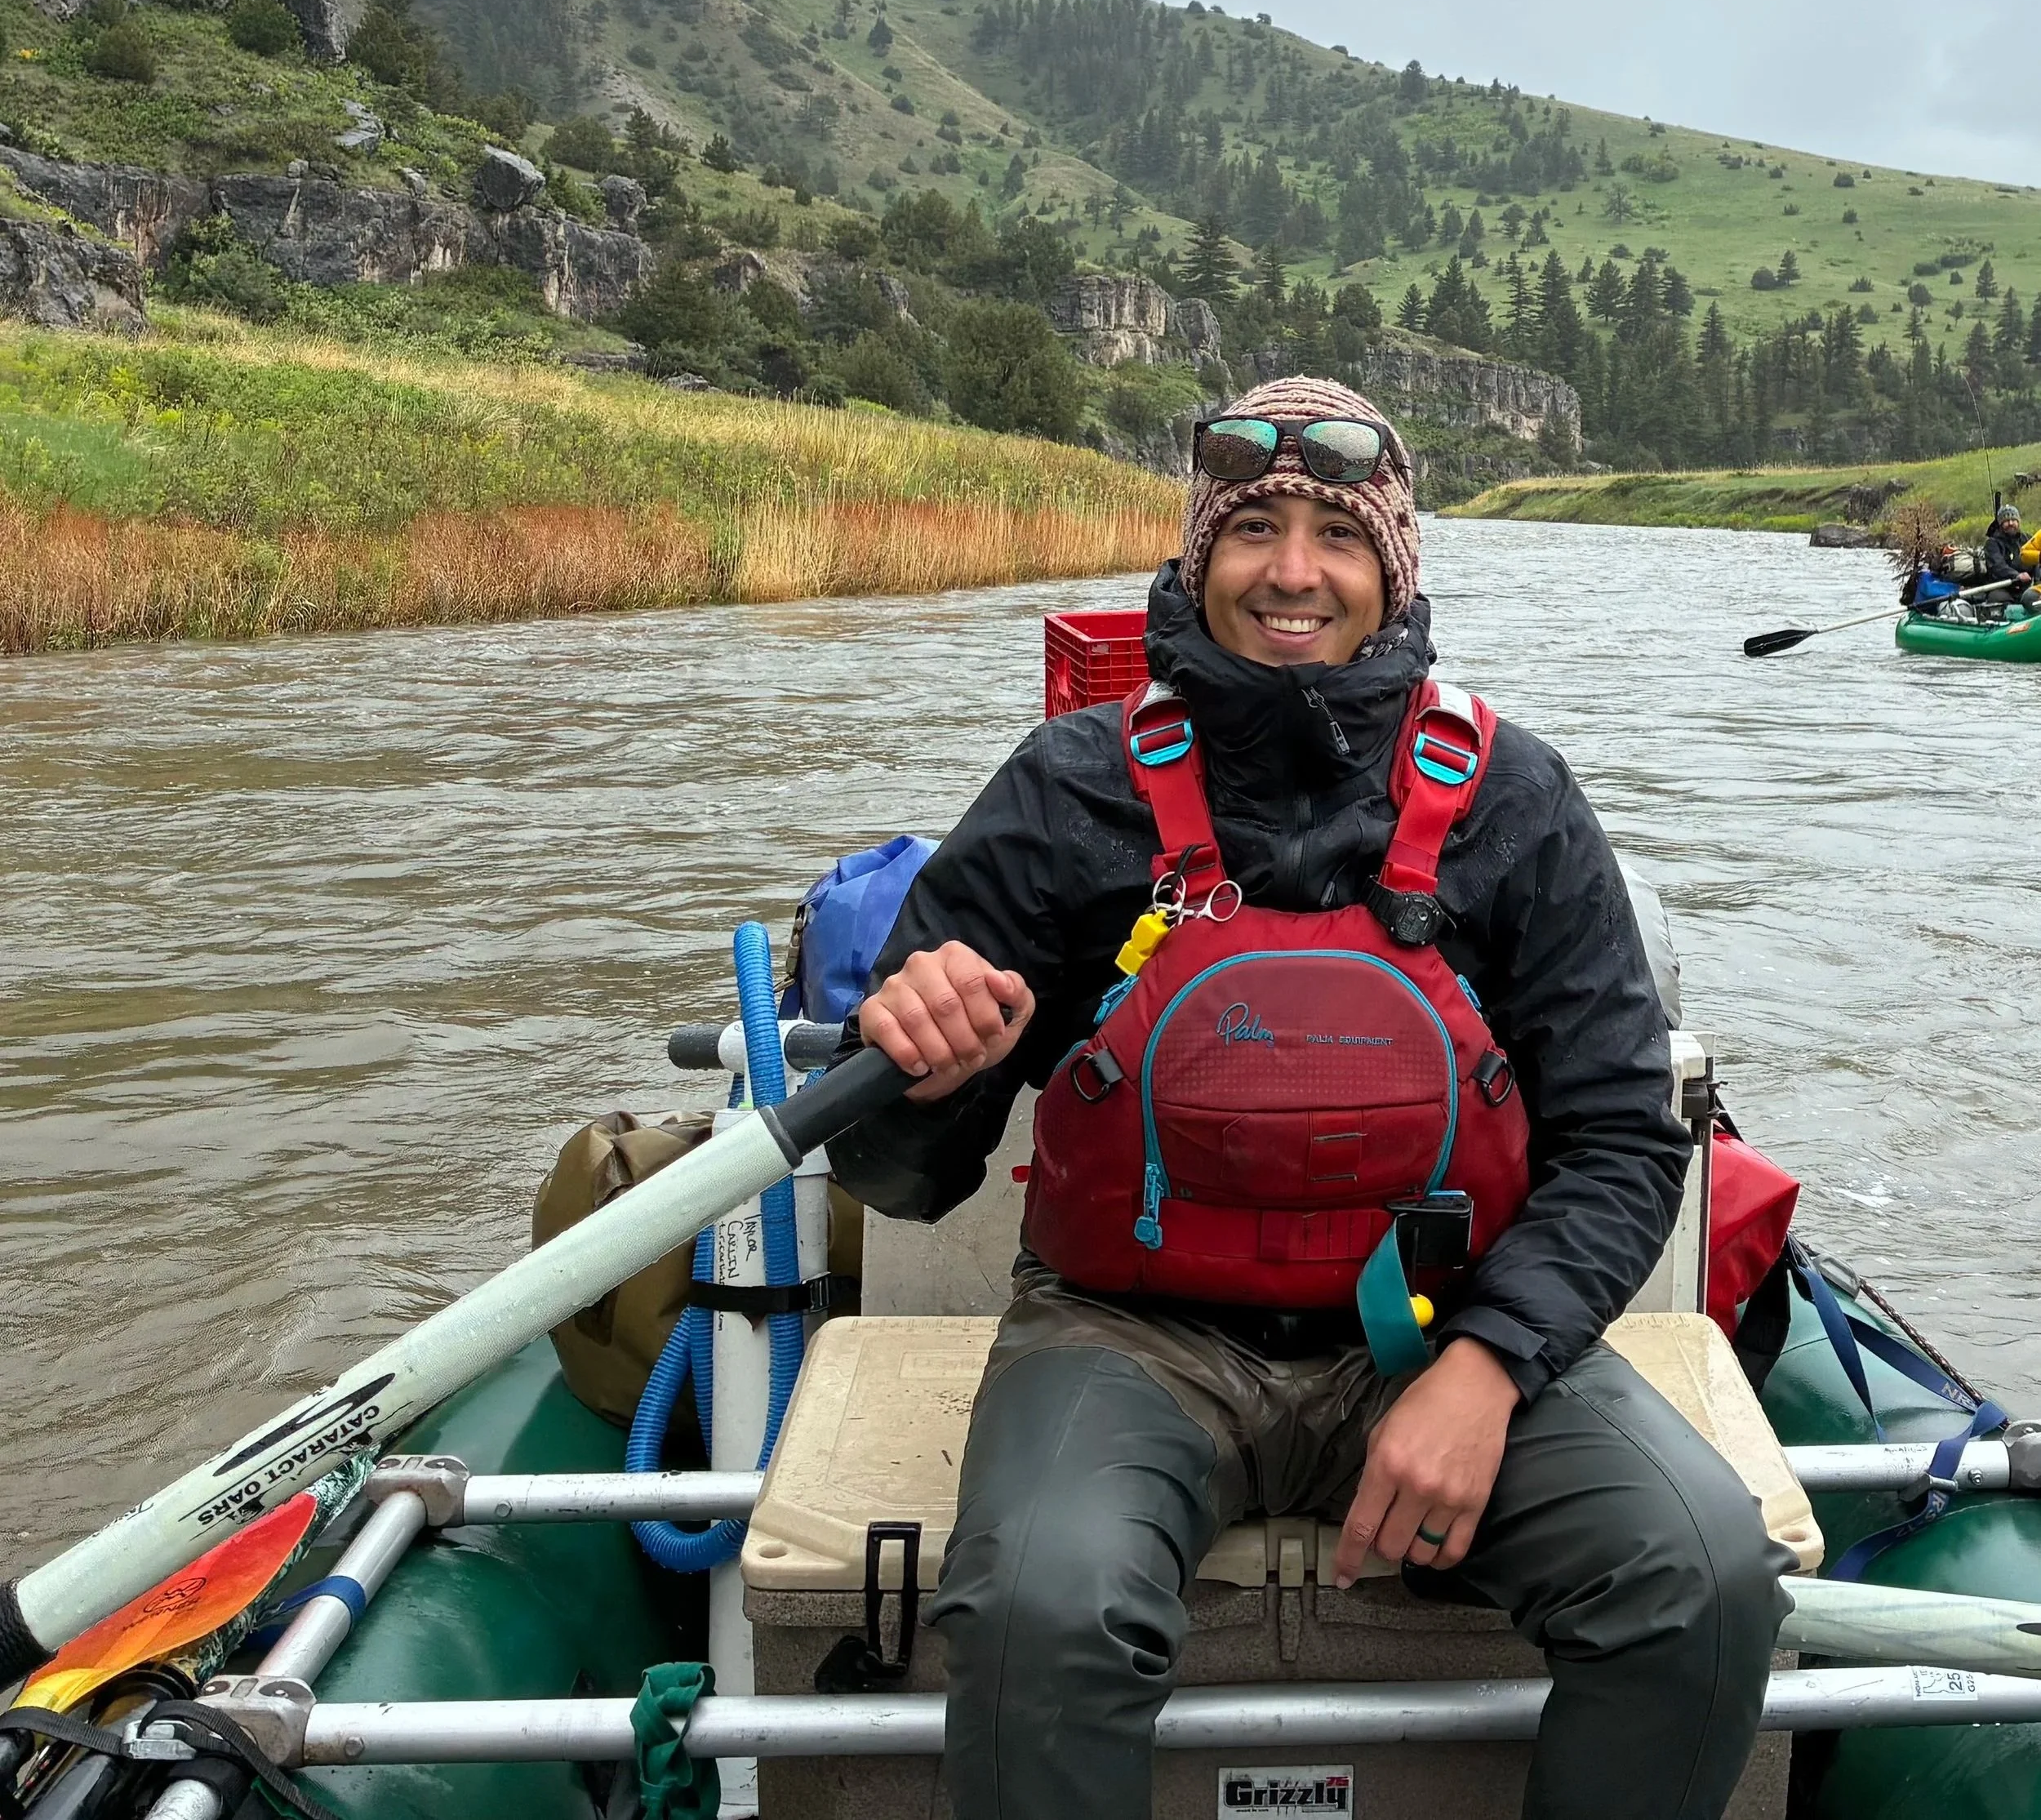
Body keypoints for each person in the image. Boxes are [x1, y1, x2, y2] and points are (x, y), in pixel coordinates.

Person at [830, 374, 1790, 1820]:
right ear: (1197, 556)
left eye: (1337, 536)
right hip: (1125, 1337)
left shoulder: (1511, 797)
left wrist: (1486, 1366)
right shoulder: (1064, 789)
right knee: (1039, 1611)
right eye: (1253, 529)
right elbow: (903, 1183)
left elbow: (1618, 1143)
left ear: (1392, 570)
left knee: (1703, 1575)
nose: (1292, 571)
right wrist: (915, 1077)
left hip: (1444, 1327)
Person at [1981, 505, 2036, 609]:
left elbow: (2037, 561)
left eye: (2013, 520)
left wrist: (2038, 584)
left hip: (2027, 588)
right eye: (2006, 521)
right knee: (1999, 600)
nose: (2011, 523)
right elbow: (1997, 566)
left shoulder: (2028, 539)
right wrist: (2017, 575)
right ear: (2001, 524)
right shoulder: (1992, 543)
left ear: (2018, 522)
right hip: (2002, 587)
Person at [1901, 542, 1961, 612]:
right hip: (1922, 612)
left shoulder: (1952, 577)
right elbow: (1931, 589)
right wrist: (1958, 589)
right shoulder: (1925, 576)